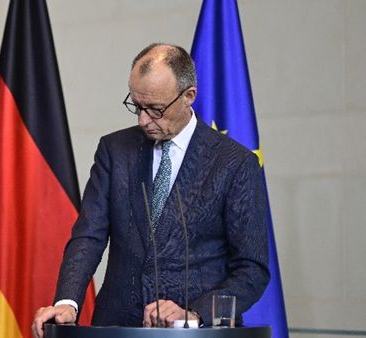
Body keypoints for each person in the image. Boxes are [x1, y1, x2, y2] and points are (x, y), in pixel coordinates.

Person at [32, 43, 269, 336]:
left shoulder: (234, 163)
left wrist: (194, 314)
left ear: (189, 96)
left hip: (193, 333)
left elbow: (251, 268)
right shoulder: (114, 150)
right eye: (137, 106)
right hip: (116, 327)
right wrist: (67, 302)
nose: (143, 120)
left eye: (156, 109)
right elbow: (88, 236)